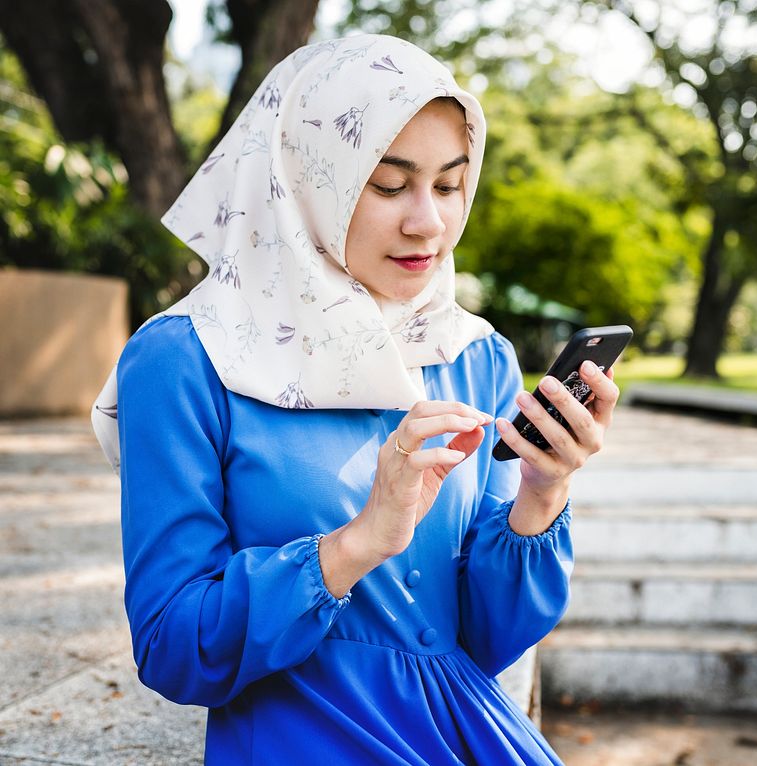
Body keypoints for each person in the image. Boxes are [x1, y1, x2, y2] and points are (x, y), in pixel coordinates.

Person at [91, 33, 620, 765]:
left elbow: (489, 640)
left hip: (473, 736)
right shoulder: (188, 359)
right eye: (388, 184)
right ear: (308, 176)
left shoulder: (472, 354)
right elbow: (173, 648)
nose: (427, 223)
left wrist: (541, 494)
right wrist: (355, 544)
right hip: (305, 737)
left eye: (448, 183)